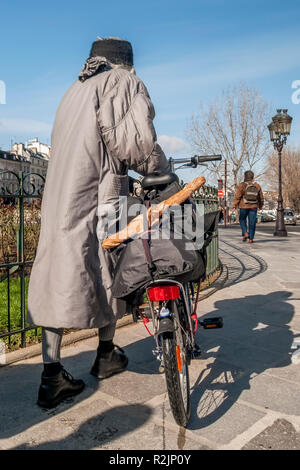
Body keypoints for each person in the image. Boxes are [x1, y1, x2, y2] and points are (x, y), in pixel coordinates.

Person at [27, 37, 170, 408]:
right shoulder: (122, 82)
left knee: (59, 273)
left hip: (63, 197)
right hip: (101, 199)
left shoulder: (73, 90)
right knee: (113, 269)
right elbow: (137, 146)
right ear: (128, 63)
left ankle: (51, 374)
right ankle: (105, 354)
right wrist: (163, 173)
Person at [233, 170, 264, 243]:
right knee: (252, 222)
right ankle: (251, 238)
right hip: (253, 206)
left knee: (242, 220)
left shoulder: (242, 185)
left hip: (244, 206)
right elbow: (261, 197)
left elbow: (237, 196)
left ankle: (245, 232)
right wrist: (261, 205)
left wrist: (234, 205)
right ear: (252, 177)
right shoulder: (257, 185)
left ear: (245, 177)